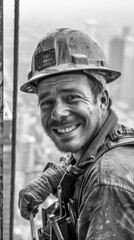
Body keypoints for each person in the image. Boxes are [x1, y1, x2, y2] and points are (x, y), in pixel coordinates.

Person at [19, 28, 134, 239]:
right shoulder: (115, 141)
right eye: (47, 102)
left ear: (102, 100)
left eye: (72, 97)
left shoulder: (107, 183)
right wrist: (52, 177)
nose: (58, 112)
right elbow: (94, 153)